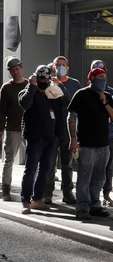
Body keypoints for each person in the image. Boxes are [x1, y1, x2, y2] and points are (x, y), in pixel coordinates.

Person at [68, 68, 113, 220]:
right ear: (91, 79)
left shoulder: (107, 96)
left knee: (99, 177)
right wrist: (73, 138)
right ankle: (82, 207)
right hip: (86, 144)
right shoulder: (81, 94)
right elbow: (71, 117)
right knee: (84, 176)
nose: (103, 80)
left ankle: (95, 205)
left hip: (103, 143)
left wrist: (105, 103)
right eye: (99, 77)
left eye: (104, 77)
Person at [18, 65, 66, 214]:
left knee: (45, 170)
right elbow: (25, 103)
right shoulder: (27, 91)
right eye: (41, 79)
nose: (43, 82)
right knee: (31, 169)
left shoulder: (52, 93)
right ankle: (26, 200)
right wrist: (32, 87)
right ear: (36, 78)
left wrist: (58, 87)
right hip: (35, 137)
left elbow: (63, 109)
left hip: (51, 138)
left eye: (46, 79)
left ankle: (37, 199)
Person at [44, 56, 82, 204]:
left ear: (68, 67)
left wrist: (61, 86)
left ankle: (67, 193)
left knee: (67, 164)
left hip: (68, 129)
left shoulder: (74, 84)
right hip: (52, 128)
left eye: (63, 65)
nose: (60, 67)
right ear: (53, 67)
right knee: (50, 163)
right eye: (57, 65)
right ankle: (48, 193)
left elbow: (74, 104)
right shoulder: (47, 83)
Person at [90, 59, 113, 207]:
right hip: (91, 137)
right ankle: (91, 196)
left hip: (109, 136)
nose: (100, 77)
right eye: (96, 72)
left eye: (102, 73)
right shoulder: (86, 93)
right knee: (91, 166)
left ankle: (106, 194)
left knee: (108, 167)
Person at [0, 57, 27, 201]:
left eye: (17, 69)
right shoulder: (6, 88)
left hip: (29, 128)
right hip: (12, 128)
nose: (15, 72)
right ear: (9, 72)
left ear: (21, 68)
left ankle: (29, 192)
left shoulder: (30, 85)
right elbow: (1, 111)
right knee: (9, 159)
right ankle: (6, 190)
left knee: (32, 161)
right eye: (12, 70)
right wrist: (1, 130)